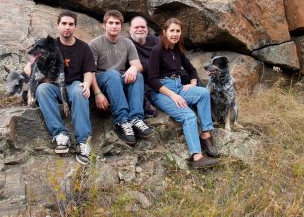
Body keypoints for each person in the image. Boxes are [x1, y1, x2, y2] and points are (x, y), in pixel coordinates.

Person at [24, 10, 96, 165]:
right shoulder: (49, 46)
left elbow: (89, 72)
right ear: (58, 25)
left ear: (75, 26)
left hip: (74, 85)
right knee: (42, 90)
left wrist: (88, 84)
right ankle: (60, 135)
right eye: (64, 23)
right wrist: (43, 77)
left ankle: (83, 142)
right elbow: (28, 68)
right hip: (54, 87)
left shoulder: (83, 47)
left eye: (71, 24)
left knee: (80, 90)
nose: (67, 27)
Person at [148, 18, 219, 169]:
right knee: (189, 116)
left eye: (178, 31)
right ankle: (197, 157)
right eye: (172, 30)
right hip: (162, 93)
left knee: (203, 93)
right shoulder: (157, 50)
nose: (175, 34)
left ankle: (205, 134)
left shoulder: (177, 50)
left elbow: (192, 70)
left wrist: (191, 84)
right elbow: (152, 80)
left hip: (179, 87)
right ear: (164, 32)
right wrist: (173, 95)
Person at [89, 10, 153, 145]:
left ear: (121, 26)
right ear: (104, 25)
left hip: (119, 77)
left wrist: (133, 68)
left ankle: (135, 119)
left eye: (117, 23)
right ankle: (121, 120)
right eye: (110, 23)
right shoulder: (95, 44)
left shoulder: (127, 43)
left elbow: (138, 65)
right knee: (112, 74)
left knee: (139, 76)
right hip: (101, 77)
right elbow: (90, 71)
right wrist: (97, 93)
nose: (114, 26)